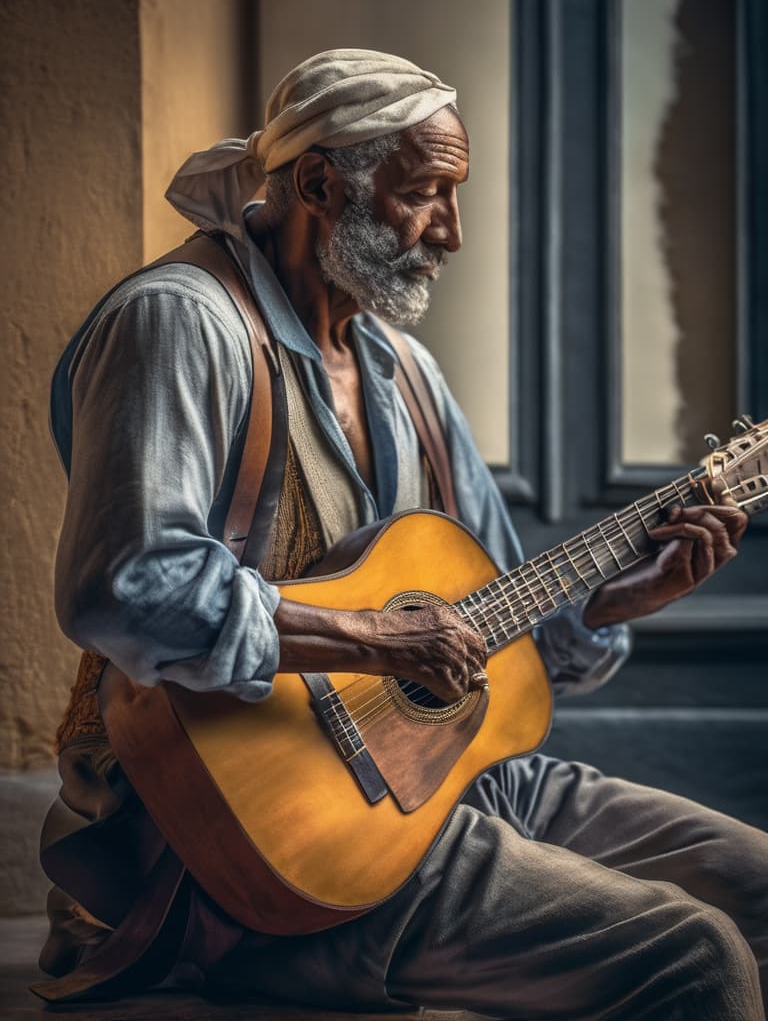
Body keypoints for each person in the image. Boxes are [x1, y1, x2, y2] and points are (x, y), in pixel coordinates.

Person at [42, 49, 767, 1019]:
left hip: (447, 783)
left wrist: (608, 602)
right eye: (424, 193)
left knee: (758, 881)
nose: (453, 232)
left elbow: (490, 630)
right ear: (317, 182)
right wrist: (369, 638)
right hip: (234, 847)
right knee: (695, 956)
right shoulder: (181, 322)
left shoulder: (404, 371)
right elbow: (121, 585)